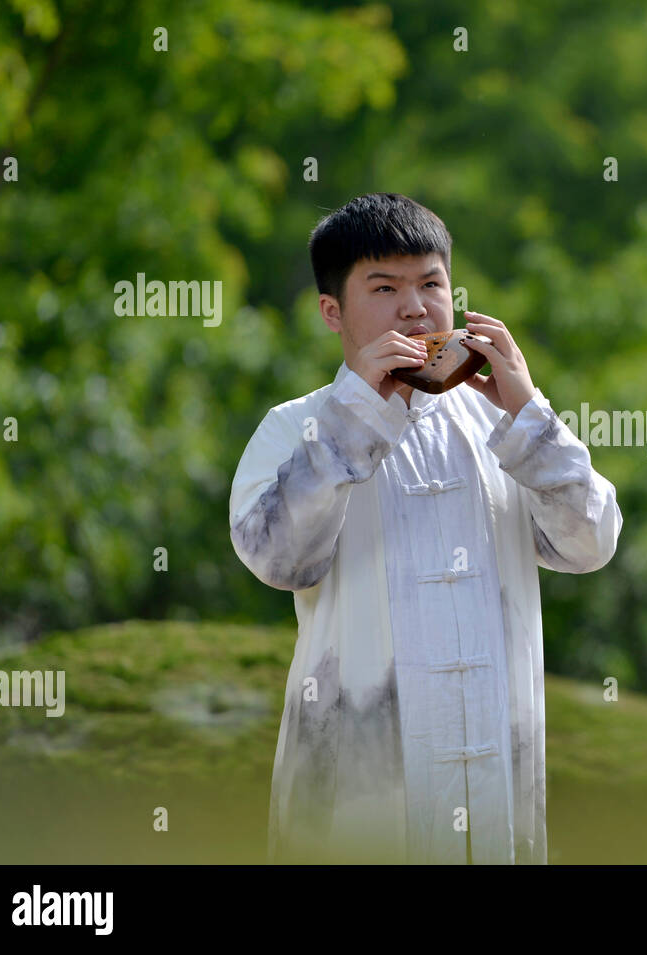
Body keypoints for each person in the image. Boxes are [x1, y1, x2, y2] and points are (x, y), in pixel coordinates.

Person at [229, 192, 622, 864]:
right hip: (355, 807)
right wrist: (357, 413)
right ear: (333, 311)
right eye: (384, 287)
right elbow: (276, 557)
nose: (414, 307)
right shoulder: (296, 427)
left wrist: (529, 413)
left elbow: (592, 542)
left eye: (431, 283)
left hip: (496, 803)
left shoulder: (504, 424)